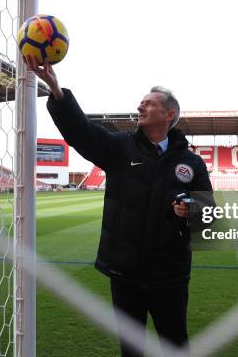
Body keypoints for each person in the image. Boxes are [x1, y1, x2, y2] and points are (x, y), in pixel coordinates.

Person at [25, 56, 213, 356]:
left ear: (169, 114)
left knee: (175, 343)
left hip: (170, 273)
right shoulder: (119, 147)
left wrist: (192, 210)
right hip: (125, 272)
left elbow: (209, 214)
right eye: (141, 102)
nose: (140, 106)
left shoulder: (191, 162)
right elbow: (82, 133)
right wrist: (57, 91)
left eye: (149, 103)